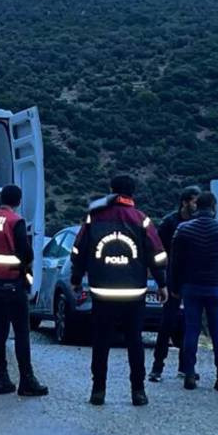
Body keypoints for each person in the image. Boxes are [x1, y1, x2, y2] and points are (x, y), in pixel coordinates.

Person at [71, 174, 167, 407]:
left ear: (111, 190)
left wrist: (76, 280)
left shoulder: (94, 217)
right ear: (132, 193)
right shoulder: (141, 219)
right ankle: (138, 391)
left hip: (102, 291)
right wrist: (162, 283)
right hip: (134, 293)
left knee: (101, 342)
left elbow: (78, 252)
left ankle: (98, 390)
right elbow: (156, 255)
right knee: (135, 342)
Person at [0, 184, 48, 397]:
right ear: (18, 201)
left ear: (1, 198)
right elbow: (26, 253)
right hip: (11, 281)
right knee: (21, 332)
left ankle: (2, 379)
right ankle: (27, 380)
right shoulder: (15, 221)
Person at [171, 191, 218, 392]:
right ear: (214, 207)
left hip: (191, 285)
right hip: (217, 285)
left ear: (196, 207)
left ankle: (189, 373)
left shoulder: (183, 229)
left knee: (191, 330)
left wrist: (175, 287)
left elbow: (176, 262)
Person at [149, 185, 201, 383]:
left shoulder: (199, 222)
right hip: (172, 277)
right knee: (167, 323)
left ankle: (186, 365)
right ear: (185, 201)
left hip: (193, 278)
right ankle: (157, 367)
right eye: (194, 201)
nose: (196, 206)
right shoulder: (169, 222)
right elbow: (158, 249)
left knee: (190, 323)